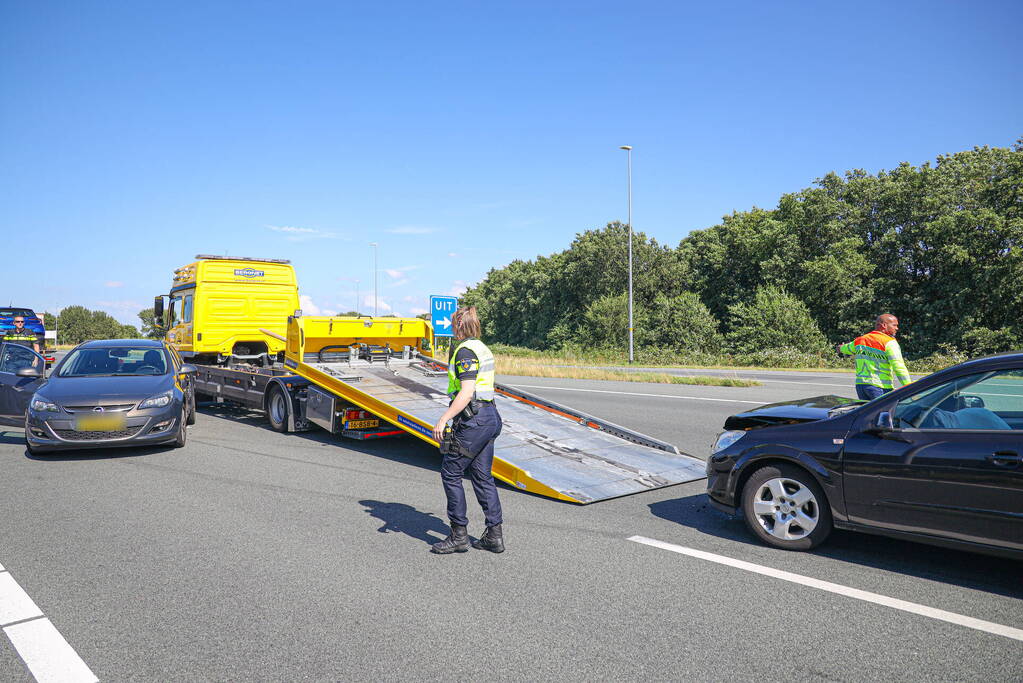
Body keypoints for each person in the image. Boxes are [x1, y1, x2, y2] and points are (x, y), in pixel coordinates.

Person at [430, 306, 505, 555]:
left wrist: (443, 419)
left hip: (474, 420)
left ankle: (458, 535)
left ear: (460, 325)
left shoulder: (464, 352)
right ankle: (494, 536)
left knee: (451, 473)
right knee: (482, 476)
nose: (452, 327)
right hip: (490, 417)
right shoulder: (481, 347)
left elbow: (466, 391)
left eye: (454, 323)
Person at [838, 313, 912, 401]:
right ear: (884, 325)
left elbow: (846, 348)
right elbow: (899, 367)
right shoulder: (889, 342)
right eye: (894, 325)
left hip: (861, 386)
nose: (897, 328)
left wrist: (840, 348)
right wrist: (909, 387)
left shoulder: (861, 340)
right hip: (880, 387)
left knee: (868, 413)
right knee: (884, 413)